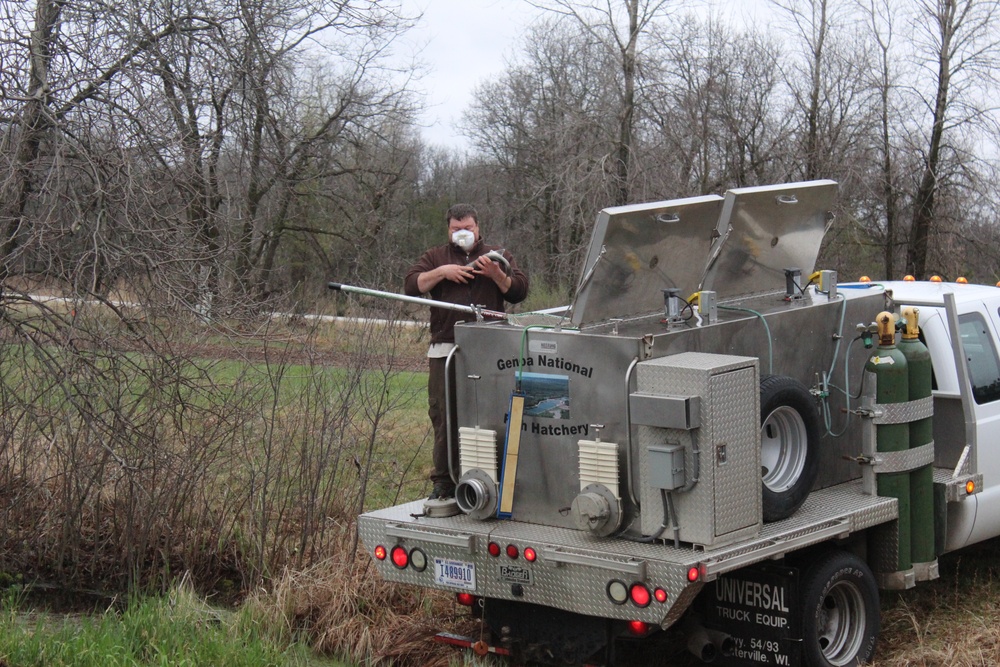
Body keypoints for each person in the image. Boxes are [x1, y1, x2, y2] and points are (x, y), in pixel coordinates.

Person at [405, 204, 529, 500]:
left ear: (478, 228)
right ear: (448, 230)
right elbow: (412, 285)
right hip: (446, 348)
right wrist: (442, 273)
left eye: (468, 229)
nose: (462, 234)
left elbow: (519, 290)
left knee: (492, 414)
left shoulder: (498, 254)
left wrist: (497, 275)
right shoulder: (435, 257)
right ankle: (445, 482)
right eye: (456, 229)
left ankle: (496, 479)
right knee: (444, 415)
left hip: (491, 349)